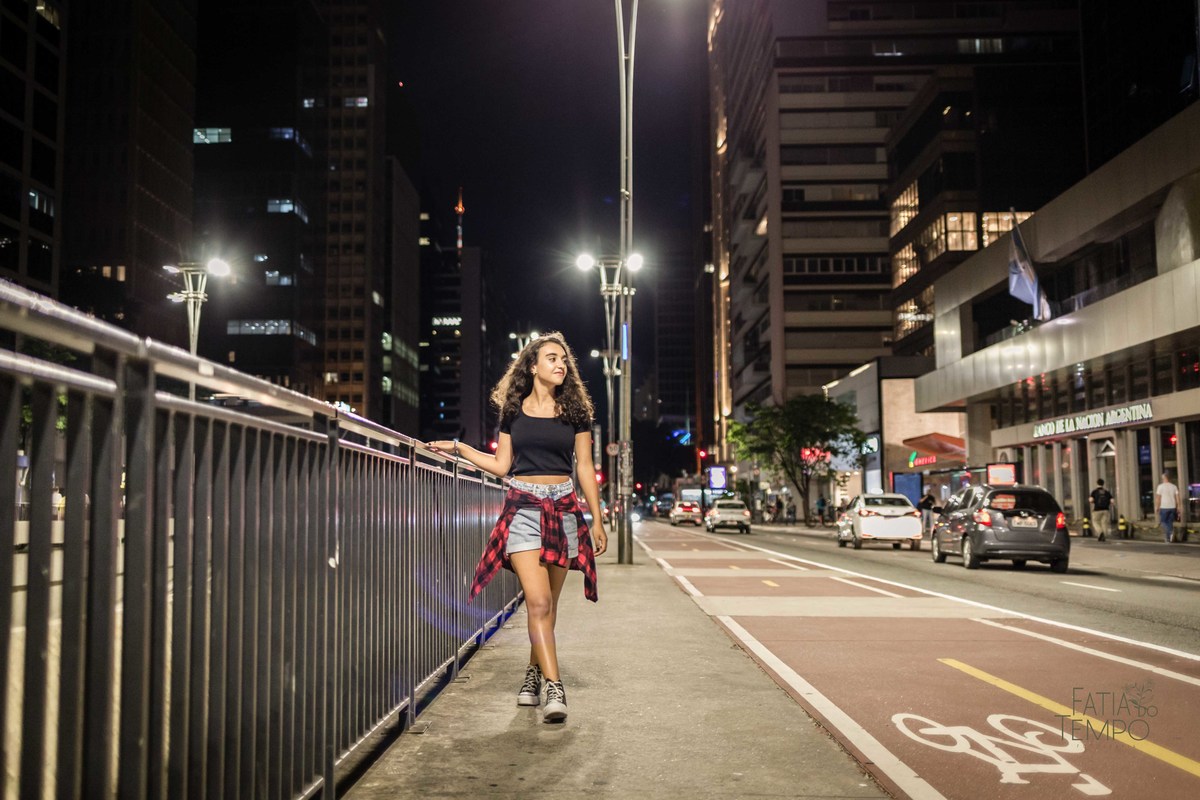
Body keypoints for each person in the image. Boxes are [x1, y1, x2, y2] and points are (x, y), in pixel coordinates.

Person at [427, 332, 606, 724]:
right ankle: (555, 689)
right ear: (532, 365)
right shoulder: (513, 411)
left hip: (564, 510)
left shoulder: (575, 412)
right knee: (538, 602)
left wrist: (597, 518)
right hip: (522, 509)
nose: (561, 364)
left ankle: (532, 675)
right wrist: (459, 449)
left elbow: (585, 468)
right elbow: (501, 465)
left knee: (549, 607)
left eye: (564, 360)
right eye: (552, 358)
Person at [1155, 472, 1180, 544]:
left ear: (1164, 478)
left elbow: (1158, 498)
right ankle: (1168, 539)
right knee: (1169, 522)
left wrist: (1157, 506)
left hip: (1164, 507)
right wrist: (1179, 506)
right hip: (1172, 507)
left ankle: (1170, 532)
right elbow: (1177, 497)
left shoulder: (1160, 486)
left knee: (1163, 522)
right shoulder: (1174, 486)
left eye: (1162, 478)